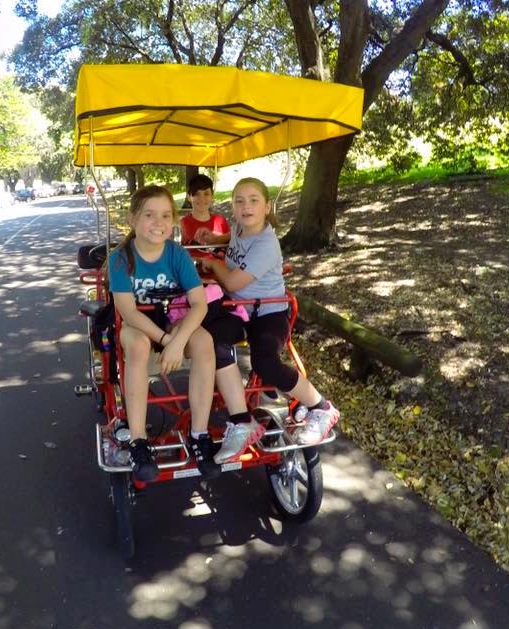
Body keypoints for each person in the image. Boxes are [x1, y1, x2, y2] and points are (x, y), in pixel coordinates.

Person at [202, 177, 340, 464]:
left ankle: (321, 406)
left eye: (253, 200)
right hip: (239, 308)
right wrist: (217, 241)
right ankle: (242, 422)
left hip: (269, 311)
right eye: (239, 201)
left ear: (267, 207)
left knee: (265, 363)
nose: (245, 206)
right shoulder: (241, 227)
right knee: (212, 342)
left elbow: (232, 278)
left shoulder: (267, 244)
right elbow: (235, 240)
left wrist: (213, 262)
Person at [108, 185, 219, 482]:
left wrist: (178, 340)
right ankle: (138, 439)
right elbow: (128, 312)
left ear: (173, 221)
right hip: (138, 326)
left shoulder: (177, 254)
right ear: (133, 219)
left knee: (205, 341)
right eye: (149, 215)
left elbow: (199, 303)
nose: (158, 222)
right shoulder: (121, 258)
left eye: (165, 215)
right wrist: (167, 341)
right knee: (138, 346)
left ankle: (199, 433)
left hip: (174, 321)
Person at [180, 174, 230, 247]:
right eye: (196, 194)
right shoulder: (182, 225)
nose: (201, 199)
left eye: (206, 194)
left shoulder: (221, 221)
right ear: (188, 197)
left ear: (212, 196)